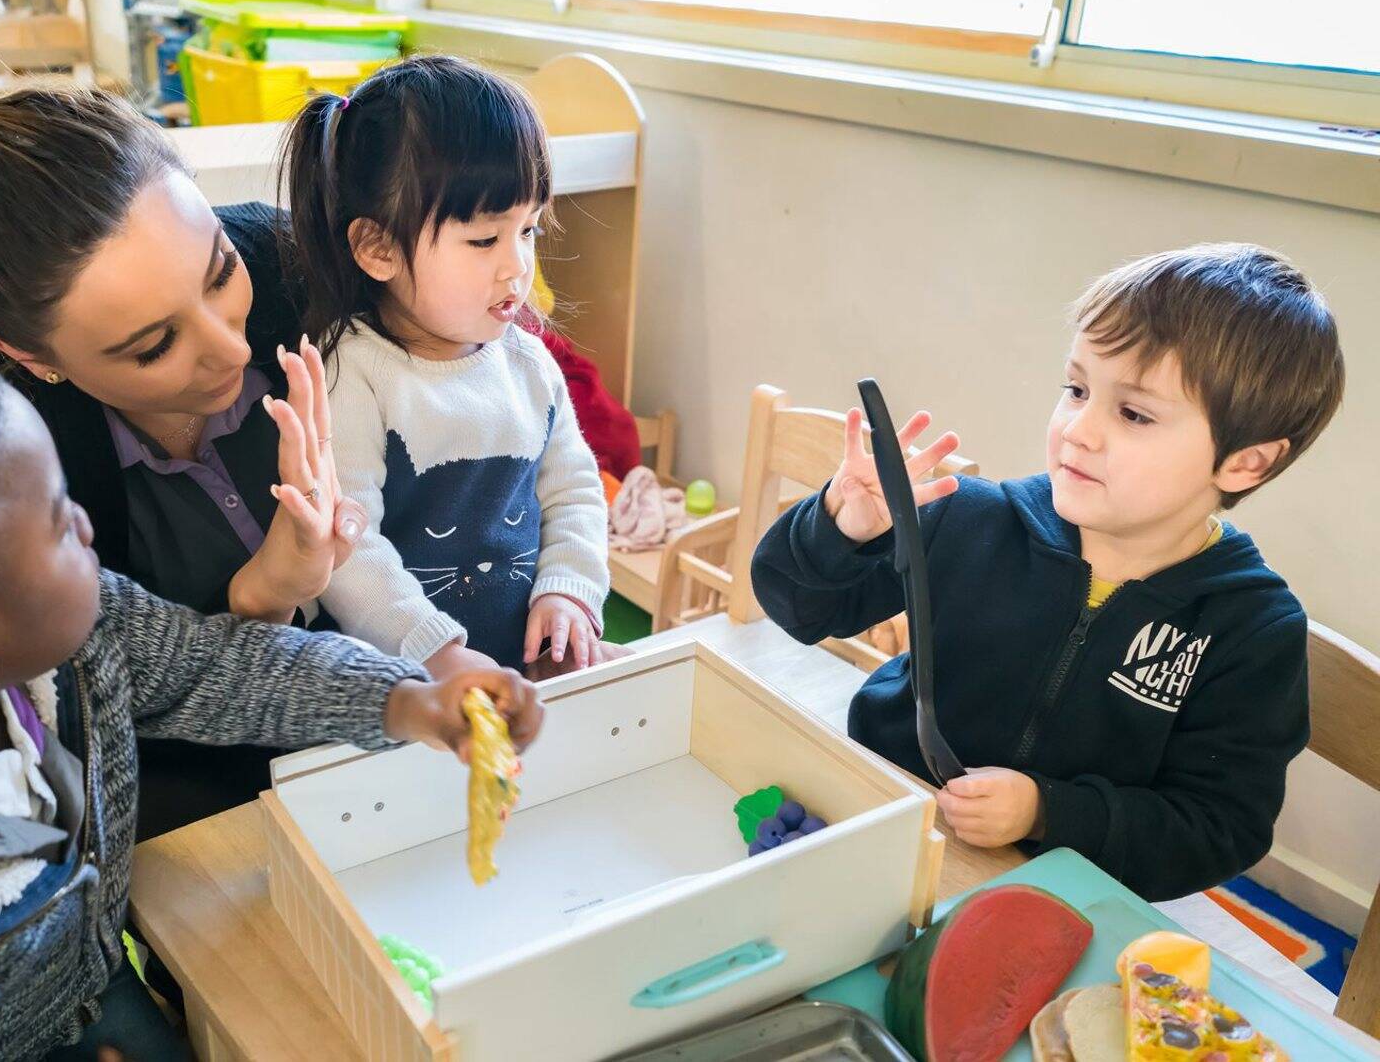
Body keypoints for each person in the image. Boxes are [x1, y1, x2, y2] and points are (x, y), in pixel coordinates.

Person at [0, 352, 543, 1059]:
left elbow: (228, 667)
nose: (86, 524)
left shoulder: (91, 634)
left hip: (96, 979)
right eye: (57, 522)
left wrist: (410, 700)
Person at [0, 31, 368, 836]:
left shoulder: (295, 264)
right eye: (153, 346)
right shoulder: (1, 460)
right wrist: (263, 593)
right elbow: (113, 720)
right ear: (30, 357)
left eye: (219, 272)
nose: (230, 349)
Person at [751, 244, 1344, 900]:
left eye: (1134, 413)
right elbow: (799, 608)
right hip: (879, 807)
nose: (1078, 430)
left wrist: (1047, 811)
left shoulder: (1253, 627)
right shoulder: (972, 519)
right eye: (1077, 389)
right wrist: (840, 528)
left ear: (1246, 463)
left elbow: (1219, 827)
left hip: (1060, 889)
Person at [281, 56, 612, 676]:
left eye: (529, 231)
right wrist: (437, 653)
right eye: (484, 240)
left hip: (522, 665)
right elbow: (348, 549)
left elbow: (574, 492)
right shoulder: (352, 373)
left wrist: (569, 590)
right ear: (378, 248)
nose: (517, 267)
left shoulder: (529, 363)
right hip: (405, 684)